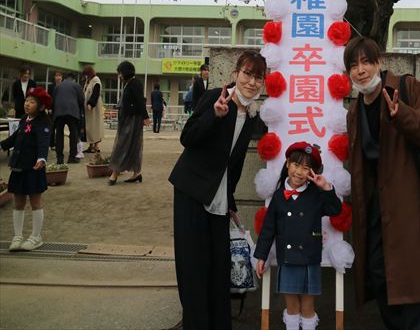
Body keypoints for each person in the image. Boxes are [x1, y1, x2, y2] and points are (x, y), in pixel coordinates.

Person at [344, 37, 420, 330]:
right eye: (354, 65)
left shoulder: (406, 87)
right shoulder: (355, 110)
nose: (361, 70)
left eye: (366, 61)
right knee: (378, 270)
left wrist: (401, 114)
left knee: (412, 274)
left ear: (378, 63)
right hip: (376, 204)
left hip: (409, 198)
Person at [168, 50, 266, 330]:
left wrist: (231, 202)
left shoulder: (251, 115)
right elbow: (187, 137)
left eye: (258, 77)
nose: (252, 82)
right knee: (193, 267)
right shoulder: (216, 97)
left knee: (218, 268)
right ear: (236, 74)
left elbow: (234, 163)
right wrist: (214, 115)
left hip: (220, 199)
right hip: (192, 192)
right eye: (247, 74)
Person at [254, 141, 342, 330]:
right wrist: (261, 256)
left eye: (306, 168)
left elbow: (335, 209)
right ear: (287, 164)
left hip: (309, 257)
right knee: (292, 306)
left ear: (311, 172)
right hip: (287, 258)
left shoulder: (316, 194)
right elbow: (268, 229)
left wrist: (325, 187)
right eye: (295, 165)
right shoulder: (279, 196)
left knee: (308, 306)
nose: (299, 172)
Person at [1, 87, 52, 252]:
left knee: (35, 202)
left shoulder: (43, 123)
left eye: (32, 102)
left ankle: (36, 237)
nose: (27, 104)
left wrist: (42, 158)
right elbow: (14, 138)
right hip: (18, 167)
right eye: (27, 100)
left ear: (41, 106)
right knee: (18, 203)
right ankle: (17, 236)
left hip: (34, 168)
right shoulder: (24, 119)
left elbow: (44, 142)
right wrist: (1, 145)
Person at [107, 61, 150, 185]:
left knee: (122, 144)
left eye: (120, 73)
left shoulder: (135, 84)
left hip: (132, 120)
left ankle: (115, 173)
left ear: (126, 72)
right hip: (128, 118)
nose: (119, 76)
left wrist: (145, 117)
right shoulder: (129, 83)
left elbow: (140, 101)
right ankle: (137, 173)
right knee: (133, 145)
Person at [53, 73, 84, 164]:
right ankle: (72, 157)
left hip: (59, 112)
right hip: (72, 112)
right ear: (74, 79)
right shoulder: (76, 85)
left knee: (59, 134)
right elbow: (82, 100)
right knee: (73, 134)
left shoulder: (58, 86)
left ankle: (59, 158)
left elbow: (53, 99)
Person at [82, 65, 104, 153]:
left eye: (86, 74)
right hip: (88, 110)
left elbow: (96, 92)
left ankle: (96, 146)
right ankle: (91, 145)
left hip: (94, 109)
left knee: (95, 126)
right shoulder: (88, 81)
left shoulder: (96, 80)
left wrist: (91, 103)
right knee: (89, 127)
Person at [47, 71, 63, 149]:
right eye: (56, 76)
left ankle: (59, 144)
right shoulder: (51, 86)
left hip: (61, 110)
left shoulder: (64, 86)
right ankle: (52, 144)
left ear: (62, 77)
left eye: (59, 76)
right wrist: (49, 108)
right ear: (54, 77)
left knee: (60, 128)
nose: (58, 77)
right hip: (52, 110)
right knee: (52, 127)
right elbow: (48, 98)